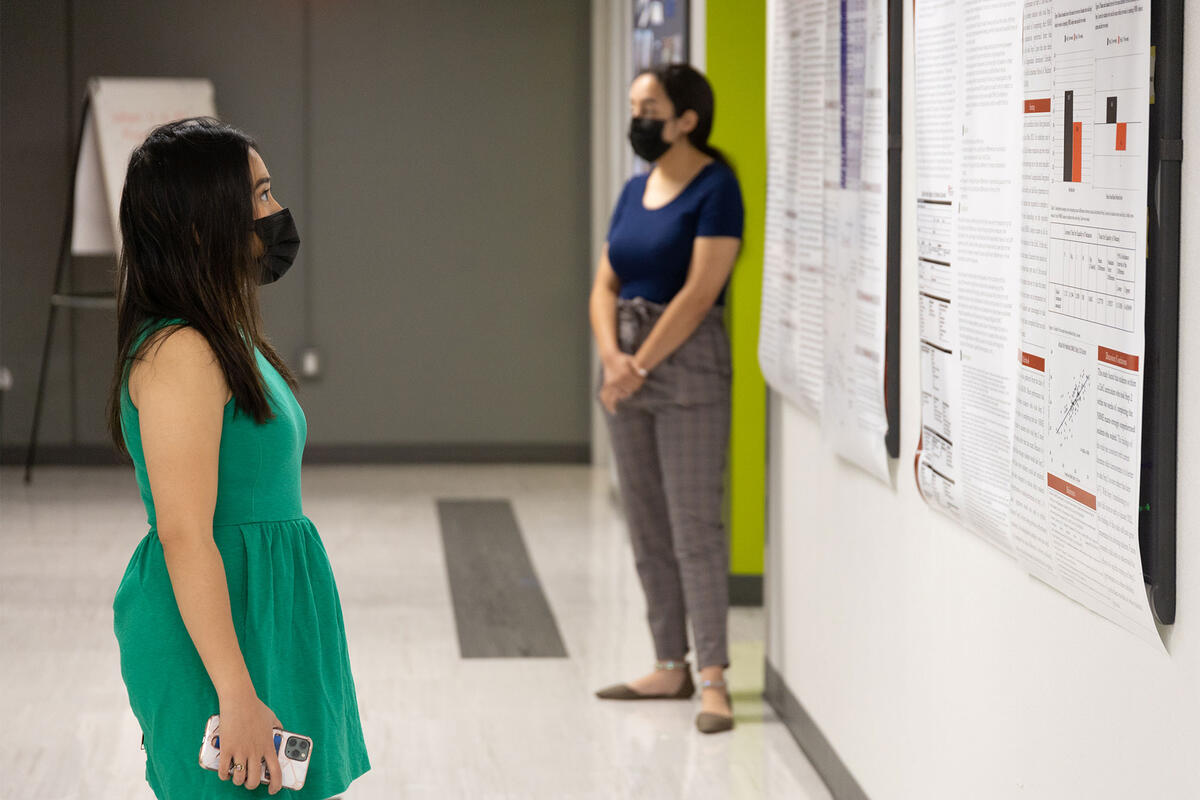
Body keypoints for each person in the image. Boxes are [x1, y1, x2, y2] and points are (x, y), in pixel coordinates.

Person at [108, 118, 370, 797]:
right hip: (220, 633)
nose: (273, 212)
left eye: (268, 190)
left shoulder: (224, 337)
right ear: (201, 223)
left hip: (269, 611)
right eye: (256, 195)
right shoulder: (181, 352)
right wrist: (235, 693)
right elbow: (184, 533)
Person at [590, 64, 743, 734]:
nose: (639, 117)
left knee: (694, 529)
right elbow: (604, 283)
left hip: (686, 365)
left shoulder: (716, 186)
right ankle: (668, 663)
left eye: (650, 106)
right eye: (634, 105)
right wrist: (612, 358)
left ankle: (713, 679)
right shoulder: (633, 189)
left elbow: (702, 292)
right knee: (647, 523)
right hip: (626, 359)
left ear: (687, 118)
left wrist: (637, 367)